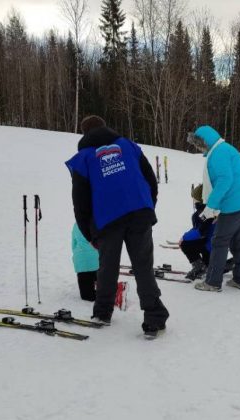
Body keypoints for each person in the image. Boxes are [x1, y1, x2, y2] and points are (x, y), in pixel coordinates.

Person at [65, 115, 169, 339]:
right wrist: (147, 206)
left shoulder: (83, 159)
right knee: (143, 266)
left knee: (107, 268)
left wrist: (89, 234)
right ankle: (155, 318)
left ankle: (102, 313)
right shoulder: (129, 146)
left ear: (85, 134)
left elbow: (80, 204)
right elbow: (150, 179)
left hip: (108, 220)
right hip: (139, 213)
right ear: (105, 128)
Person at [187, 125, 240, 292]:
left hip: (234, 204)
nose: (198, 147)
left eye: (199, 144)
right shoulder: (225, 148)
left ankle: (212, 282)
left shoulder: (218, 154)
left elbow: (224, 180)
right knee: (237, 241)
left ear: (205, 141)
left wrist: (211, 206)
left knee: (219, 241)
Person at [180, 184, 234, 280]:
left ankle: (229, 264)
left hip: (210, 246)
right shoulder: (208, 209)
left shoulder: (206, 213)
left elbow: (200, 232)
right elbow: (198, 229)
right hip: (210, 243)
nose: (193, 200)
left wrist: (184, 237)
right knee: (209, 265)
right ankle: (208, 265)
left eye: (195, 198)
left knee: (185, 243)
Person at [71, 223, 98, 301]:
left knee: (87, 296)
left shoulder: (77, 225)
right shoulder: (97, 222)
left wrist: (76, 255)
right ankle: (108, 289)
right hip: (98, 261)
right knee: (99, 279)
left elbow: (73, 244)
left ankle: (111, 294)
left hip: (83, 264)